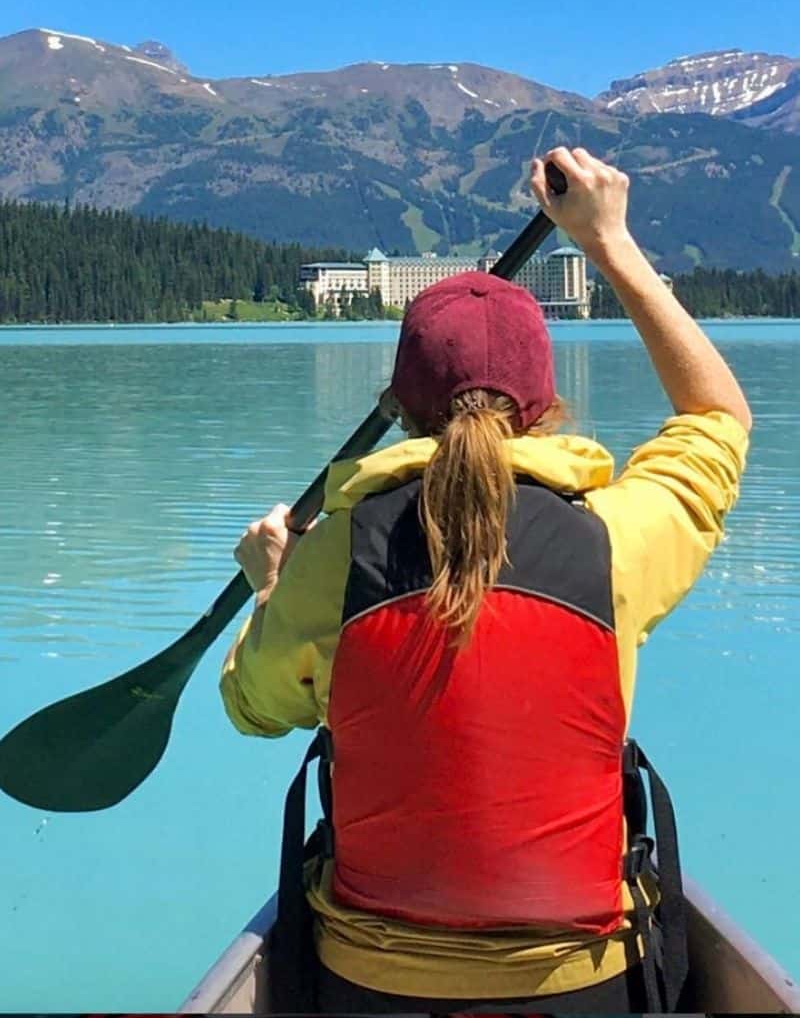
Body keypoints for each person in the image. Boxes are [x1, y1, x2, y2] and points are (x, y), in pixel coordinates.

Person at [221, 146, 752, 1013]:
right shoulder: (615, 539)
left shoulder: (332, 560)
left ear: (401, 405)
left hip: (367, 986)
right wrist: (610, 244)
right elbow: (717, 418)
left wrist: (272, 586)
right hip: (585, 984)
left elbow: (252, 707)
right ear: (543, 407)